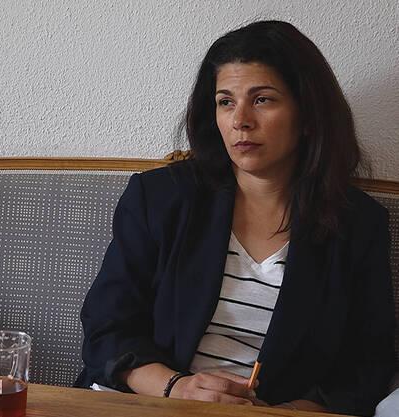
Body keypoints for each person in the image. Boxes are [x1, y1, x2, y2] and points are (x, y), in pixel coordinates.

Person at [74, 20, 396, 416]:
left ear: (308, 115)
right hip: (152, 403)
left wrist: (283, 413)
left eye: (262, 100)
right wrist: (178, 388)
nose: (240, 119)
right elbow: (107, 328)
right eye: (225, 101)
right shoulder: (161, 197)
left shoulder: (358, 225)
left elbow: (366, 365)